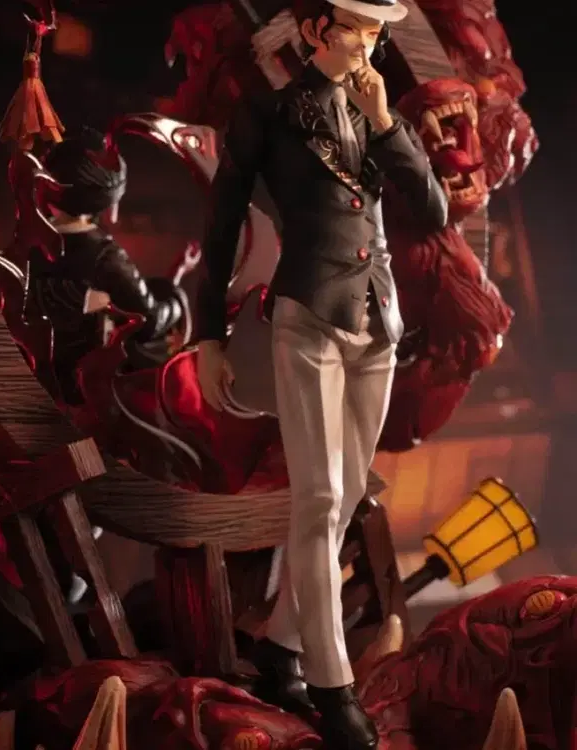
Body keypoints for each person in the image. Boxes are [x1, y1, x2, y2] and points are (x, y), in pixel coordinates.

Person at [195, 1, 447, 747]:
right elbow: (220, 227)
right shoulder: (268, 114)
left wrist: (385, 122)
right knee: (320, 498)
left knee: (344, 500)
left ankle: (279, 649)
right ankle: (331, 684)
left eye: (378, 29)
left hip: (378, 320)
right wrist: (207, 336)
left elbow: (433, 210)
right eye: (358, 27)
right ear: (315, 31)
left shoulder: (377, 109)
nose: (372, 41)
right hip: (309, 317)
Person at [27, 126, 190, 395]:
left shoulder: (33, 243)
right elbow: (149, 319)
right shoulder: (106, 256)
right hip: (90, 387)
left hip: (40, 374)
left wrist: (177, 271)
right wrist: (176, 300)